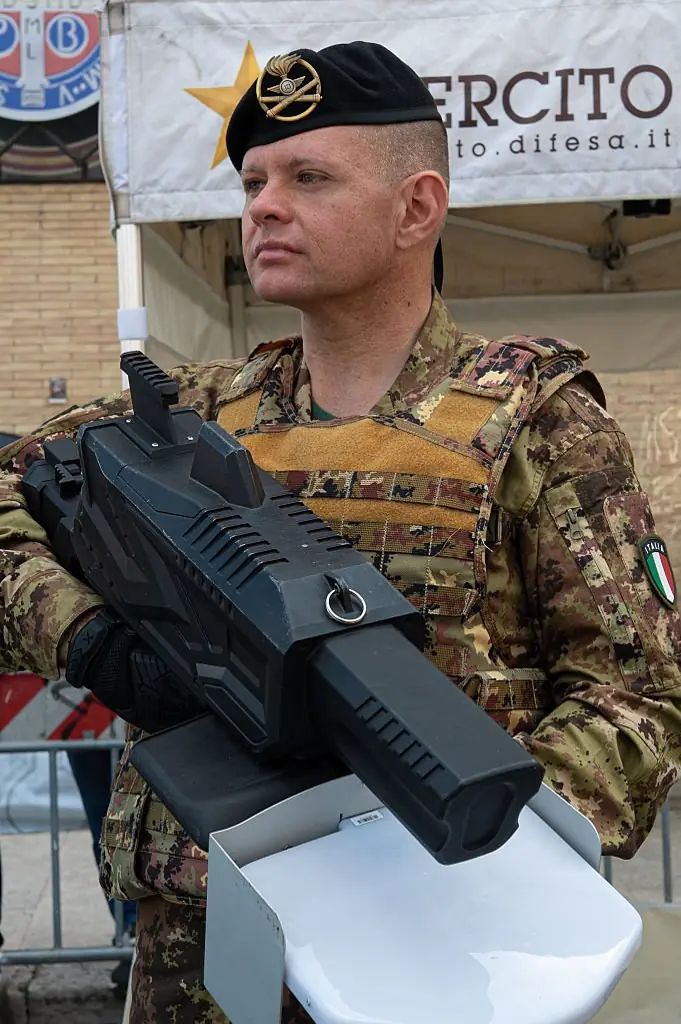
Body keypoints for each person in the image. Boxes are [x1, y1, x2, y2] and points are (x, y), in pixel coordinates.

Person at [0, 40, 680, 1024]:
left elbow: (635, 689)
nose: (263, 206)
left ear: (418, 208)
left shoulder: (532, 419)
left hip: (440, 963)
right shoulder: (190, 416)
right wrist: (84, 634)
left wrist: (487, 864)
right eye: (255, 181)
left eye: (310, 176)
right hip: (203, 950)